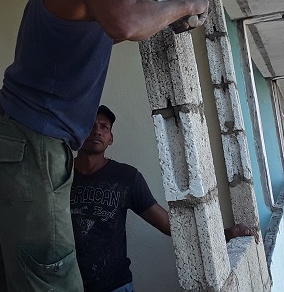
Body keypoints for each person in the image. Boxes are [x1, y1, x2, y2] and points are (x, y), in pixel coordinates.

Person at [0, 0, 211, 292]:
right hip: (35, 141)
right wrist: (186, 3)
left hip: (20, 136)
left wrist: (158, 19)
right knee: (53, 277)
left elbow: (93, 36)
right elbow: (125, 21)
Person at [71, 105, 258, 292]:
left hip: (114, 286)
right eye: (91, 125)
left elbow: (169, 225)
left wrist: (225, 234)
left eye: (104, 127)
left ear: (110, 138)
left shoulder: (126, 178)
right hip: (61, 283)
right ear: (78, 132)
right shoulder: (57, 176)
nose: (97, 130)